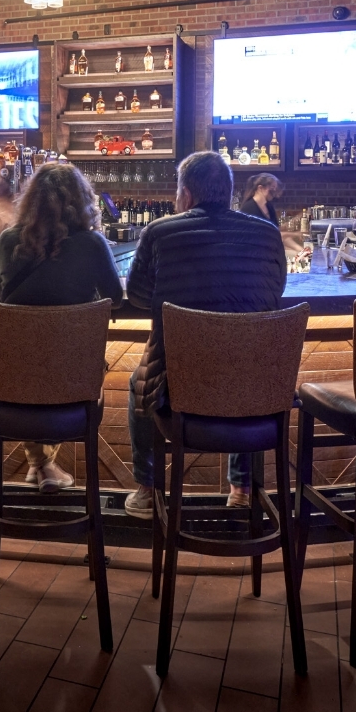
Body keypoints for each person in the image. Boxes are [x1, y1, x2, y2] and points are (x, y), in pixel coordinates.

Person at [124, 152, 286, 518]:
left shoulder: (159, 232)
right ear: (229, 193)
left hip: (177, 391)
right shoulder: (267, 233)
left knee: (139, 382)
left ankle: (147, 490)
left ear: (185, 194)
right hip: (255, 389)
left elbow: (135, 295)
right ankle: (242, 489)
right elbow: (275, 293)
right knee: (243, 363)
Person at [0, 163, 123, 493]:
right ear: (82, 201)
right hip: (75, 382)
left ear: (31, 200)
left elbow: (5, 297)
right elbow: (117, 298)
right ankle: (44, 465)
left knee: (33, 364)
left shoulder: (9, 241)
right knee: (63, 367)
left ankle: (42, 465)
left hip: (13, 384)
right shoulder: (93, 244)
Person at [239, 173, 306, 256]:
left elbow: (277, 232)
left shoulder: (268, 206)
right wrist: (295, 234)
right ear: (260, 188)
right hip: (253, 257)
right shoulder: (249, 208)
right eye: (272, 189)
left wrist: (300, 250)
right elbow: (270, 235)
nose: (274, 193)